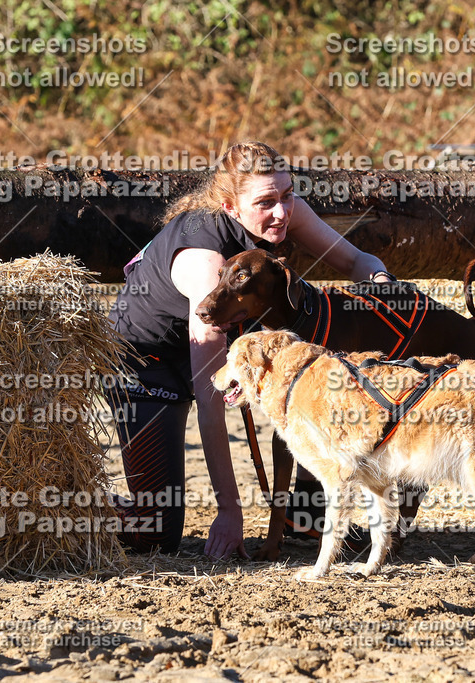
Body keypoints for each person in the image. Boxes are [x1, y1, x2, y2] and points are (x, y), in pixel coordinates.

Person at [106, 141, 393, 559]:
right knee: (155, 532)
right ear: (230, 206)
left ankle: (306, 513)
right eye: (266, 203)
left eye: (287, 195)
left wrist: (388, 288)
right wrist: (229, 511)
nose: (282, 212)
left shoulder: (280, 210)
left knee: (321, 359)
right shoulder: (205, 265)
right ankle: (62, 509)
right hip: (144, 364)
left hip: (198, 350)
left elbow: (355, 262)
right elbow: (211, 403)